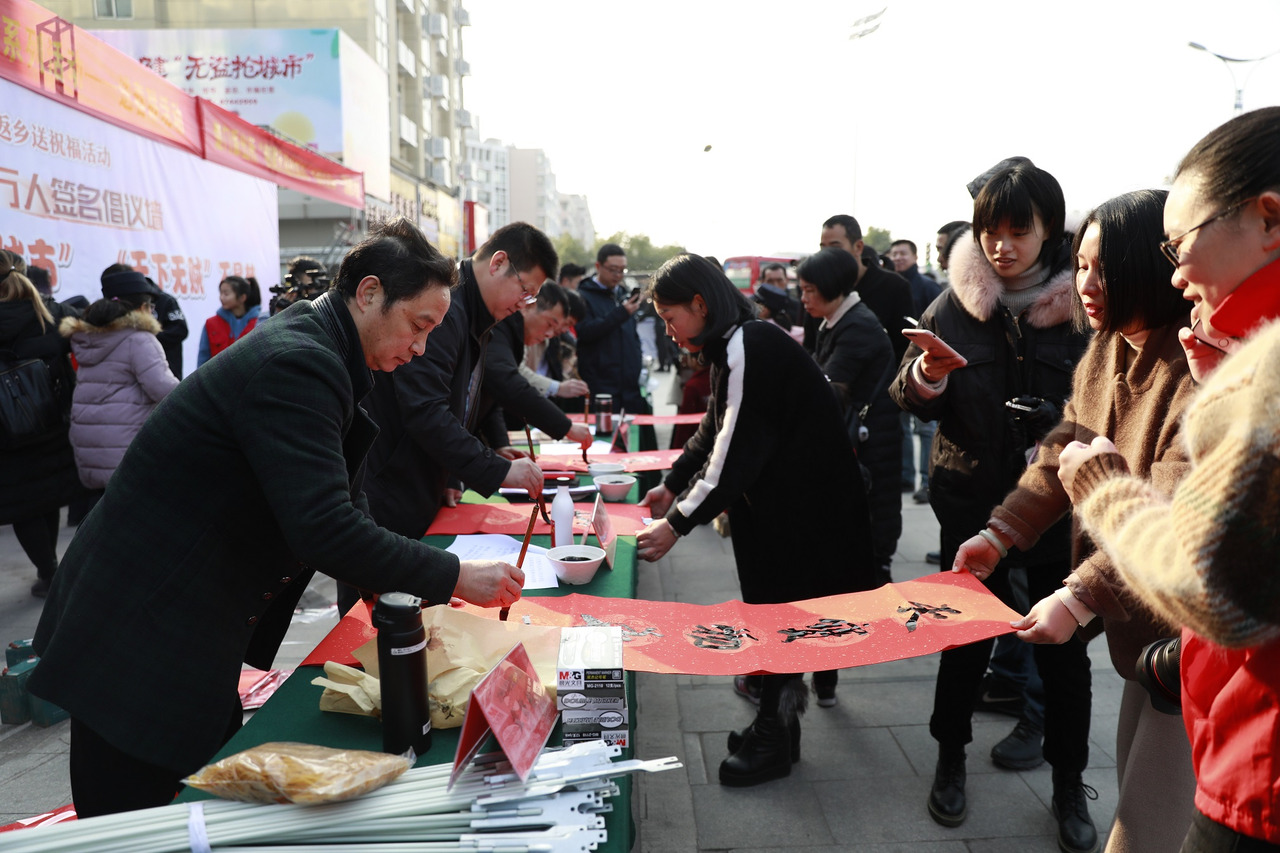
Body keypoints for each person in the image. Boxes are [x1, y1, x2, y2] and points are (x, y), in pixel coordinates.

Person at [29, 218, 526, 818]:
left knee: (200, 794)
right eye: (418, 326)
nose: (421, 348)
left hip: (185, 619)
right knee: (141, 818)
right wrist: (454, 576)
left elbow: (346, 497)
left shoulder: (330, 351)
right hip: (139, 626)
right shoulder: (300, 362)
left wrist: (393, 583)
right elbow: (324, 527)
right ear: (369, 293)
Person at [1057, 107, 1280, 852]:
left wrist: (1104, 492)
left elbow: (1212, 585)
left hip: (1262, 768)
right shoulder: (1219, 352)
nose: (1176, 271)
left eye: (1179, 245)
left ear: (1268, 218)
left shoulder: (1264, 372)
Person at [955, 190, 1198, 853]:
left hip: (1196, 641)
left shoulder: (1200, 364)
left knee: (1147, 828)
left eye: (1104, 269)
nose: (1086, 285)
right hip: (1141, 635)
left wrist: (1078, 596)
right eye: (1081, 265)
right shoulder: (1109, 345)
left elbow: (1170, 516)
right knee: (1137, 792)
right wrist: (1001, 532)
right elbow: (1064, 446)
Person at [890, 159, 1096, 849]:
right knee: (963, 638)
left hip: (1057, 509)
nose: (1002, 246)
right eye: (990, 231)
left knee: (1063, 651)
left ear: (1050, 230)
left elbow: (1107, 407)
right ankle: (950, 756)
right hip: (970, 501)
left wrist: (1056, 422)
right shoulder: (955, 302)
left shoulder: (1084, 306)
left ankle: (1069, 779)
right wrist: (927, 374)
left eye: (1019, 231)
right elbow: (907, 394)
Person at [635, 253, 877, 787]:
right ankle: (777, 728)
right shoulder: (735, 345)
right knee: (772, 614)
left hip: (805, 515)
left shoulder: (750, 344)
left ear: (700, 305)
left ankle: (774, 733)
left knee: (782, 617)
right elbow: (714, 429)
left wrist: (676, 522)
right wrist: (673, 483)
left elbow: (735, 453)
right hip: (783, 511)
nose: (669, 332)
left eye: (670, 317)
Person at [363, 222, 557, 541]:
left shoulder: (477, 312)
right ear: (498, 263)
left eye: (531, 298)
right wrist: (498, 469)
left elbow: (465, 398)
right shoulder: (446, 305)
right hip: (389, 486)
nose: (524, 303)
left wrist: (453, 474)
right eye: (525, 290)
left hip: (417, 482)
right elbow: (425, 409)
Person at [798, 247, 901, 590]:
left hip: (871, 446)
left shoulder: (857, 326)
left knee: (871, 543)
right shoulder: (836, 320)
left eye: (809, 290)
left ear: (831, 287)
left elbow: (830, 390)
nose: (803, 298)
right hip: (861, 440)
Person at [61, 270, 180, 515]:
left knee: (103, 513)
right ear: (143, 307)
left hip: (90, 438)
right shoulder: (139, 339)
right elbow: (163, 388)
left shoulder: (87, 336)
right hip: (125, 442)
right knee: (136, 517)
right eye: (151, 306)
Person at [0, 259, 82, 597]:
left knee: (24, 504)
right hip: (53, 418)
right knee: (48, 496)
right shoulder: (50, 311)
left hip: (6, 433)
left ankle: (48, 570)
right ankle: (52, 570)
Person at [481, 281, 593, 448]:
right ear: (528, 306)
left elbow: (491, 398)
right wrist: (566, 426)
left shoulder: (525, 334)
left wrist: (500, 445)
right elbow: (508, 382)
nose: (552, 333)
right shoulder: (500, 329)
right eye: (551, 324)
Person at [819, 215, 914, 367]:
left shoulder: (894, 286)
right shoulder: (819, 287)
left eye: (835, 247)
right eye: (823, 248)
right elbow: (812, 345)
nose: (827, 254)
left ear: (858, 247)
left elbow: (905, 349)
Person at [889, 239, 943, 503]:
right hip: (899, 367)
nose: (898, 257)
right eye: (894, 253)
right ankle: (906, 476)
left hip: (927, 366)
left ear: (914, 256)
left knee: (924, 428)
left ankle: (926, 481)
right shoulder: (890, 286)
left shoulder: (928, 287)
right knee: (901, 427)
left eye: (903, 253)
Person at [576, 243, 648, 415]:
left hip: (629, 387)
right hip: (601, 385)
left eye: (622, 270)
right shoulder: (583, 296)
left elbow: (631, 336)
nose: (618, 275)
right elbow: (585, 332)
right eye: (613, 270)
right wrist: (621, 313)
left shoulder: (623, 294)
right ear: (598, 266)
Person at [99, 263, 188, 378]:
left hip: (166, 370)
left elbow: (180, 330)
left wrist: (145, 341)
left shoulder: (165, 301)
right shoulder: (106, 309)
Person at [197, 275, 261, 366]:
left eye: (226, 294)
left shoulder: (259, 322)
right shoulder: (211, 324)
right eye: (221, 293)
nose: (221, 297)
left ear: (242, 297)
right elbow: (203, 359)